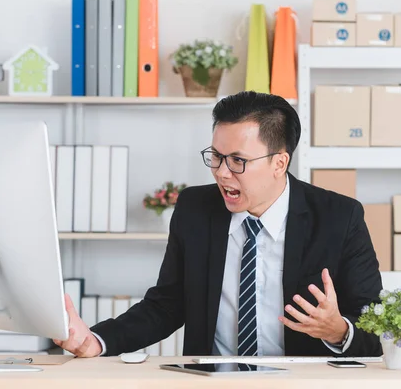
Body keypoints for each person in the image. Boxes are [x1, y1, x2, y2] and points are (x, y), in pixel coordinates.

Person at [53, 91, 383, 358]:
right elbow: (167, 305)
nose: (222, 172)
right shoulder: (195, 209)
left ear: (279, 162)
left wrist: (338, 330)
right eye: (216, 156)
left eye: (238, 161)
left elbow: (375, 328)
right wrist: (97, 340)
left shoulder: (339, 217)